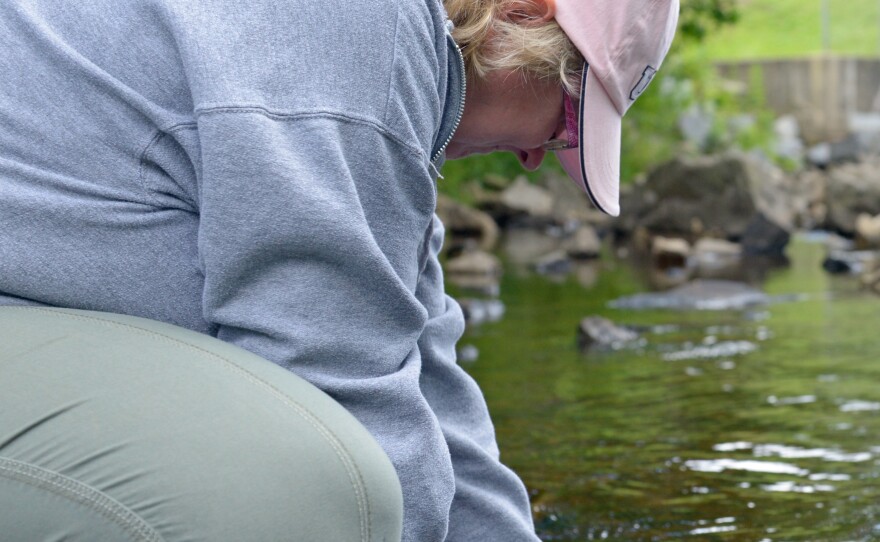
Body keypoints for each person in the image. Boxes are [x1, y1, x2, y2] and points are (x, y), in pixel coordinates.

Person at [0, 0, 678, 540]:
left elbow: (427, 379)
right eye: (565, 121)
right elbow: (335, 386)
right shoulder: (361, 37)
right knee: (327, 490)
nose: (537, 158)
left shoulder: (378, 65)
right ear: (525, 15)